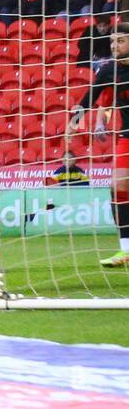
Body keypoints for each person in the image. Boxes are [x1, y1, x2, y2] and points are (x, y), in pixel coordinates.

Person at [67, 27, 129, 266]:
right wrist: (73, 124)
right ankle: (125, 250)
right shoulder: (109, 70)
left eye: (121, 41)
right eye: (113, 42)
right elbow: (88, 98)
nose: (114, 46)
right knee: (117, 187)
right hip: (126, 137)